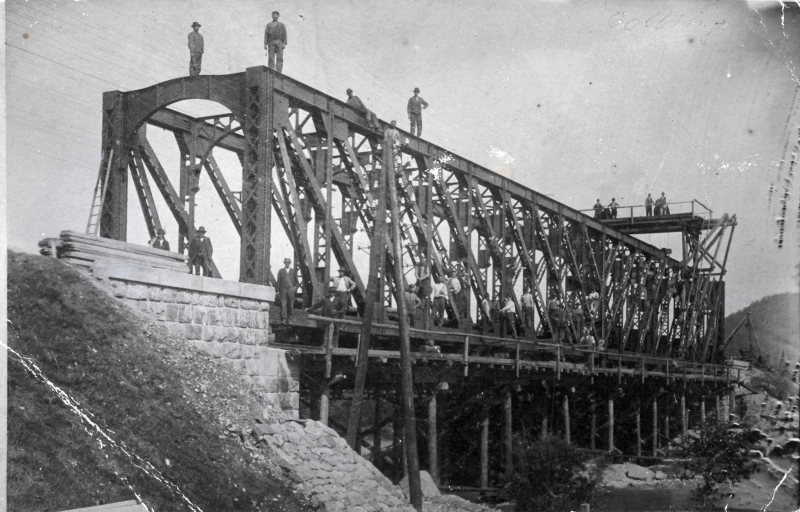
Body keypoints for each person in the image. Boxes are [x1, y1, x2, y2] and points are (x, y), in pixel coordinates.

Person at [276, 257, 299, 323]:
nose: (287, 263)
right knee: (283, 304)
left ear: (290, 263)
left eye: (288, 262)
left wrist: (295, 288)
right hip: (283, 290)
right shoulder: (281, 271)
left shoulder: (293, 271)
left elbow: (297, 282)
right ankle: (284, 319)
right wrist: (277, 290)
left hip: (291, 290)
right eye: (286, 262)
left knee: (291, 304)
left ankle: (290, 319)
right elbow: (278, 281)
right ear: (284, 263)